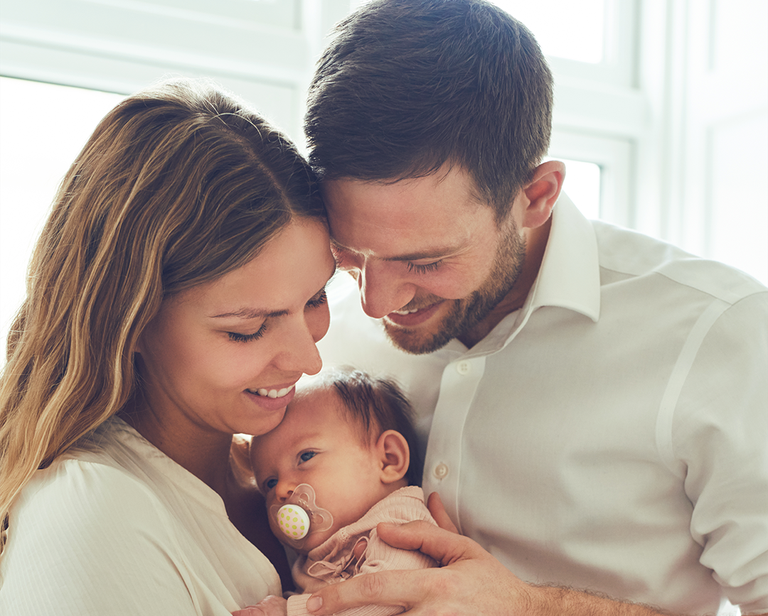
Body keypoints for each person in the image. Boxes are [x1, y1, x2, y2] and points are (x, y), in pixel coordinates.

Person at [299, 1, 768, 615]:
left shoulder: (723, 334)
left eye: (425, 261)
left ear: (536, 196)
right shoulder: (318, 334)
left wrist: (531, 606)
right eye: (351, 254)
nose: (375, 302)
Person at [0, 77, 337, 615]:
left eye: (317, 298)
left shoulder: (288, 467)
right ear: (130, 322)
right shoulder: (90, 519)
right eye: (248, 328)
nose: (309, 360)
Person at [245, 367, 438, 616]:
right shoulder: (316, 556)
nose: (282, 490)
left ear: (388, 460)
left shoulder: (399, 524)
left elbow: (387, 598)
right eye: (269, 483)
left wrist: (289, 611)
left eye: (305, 456)